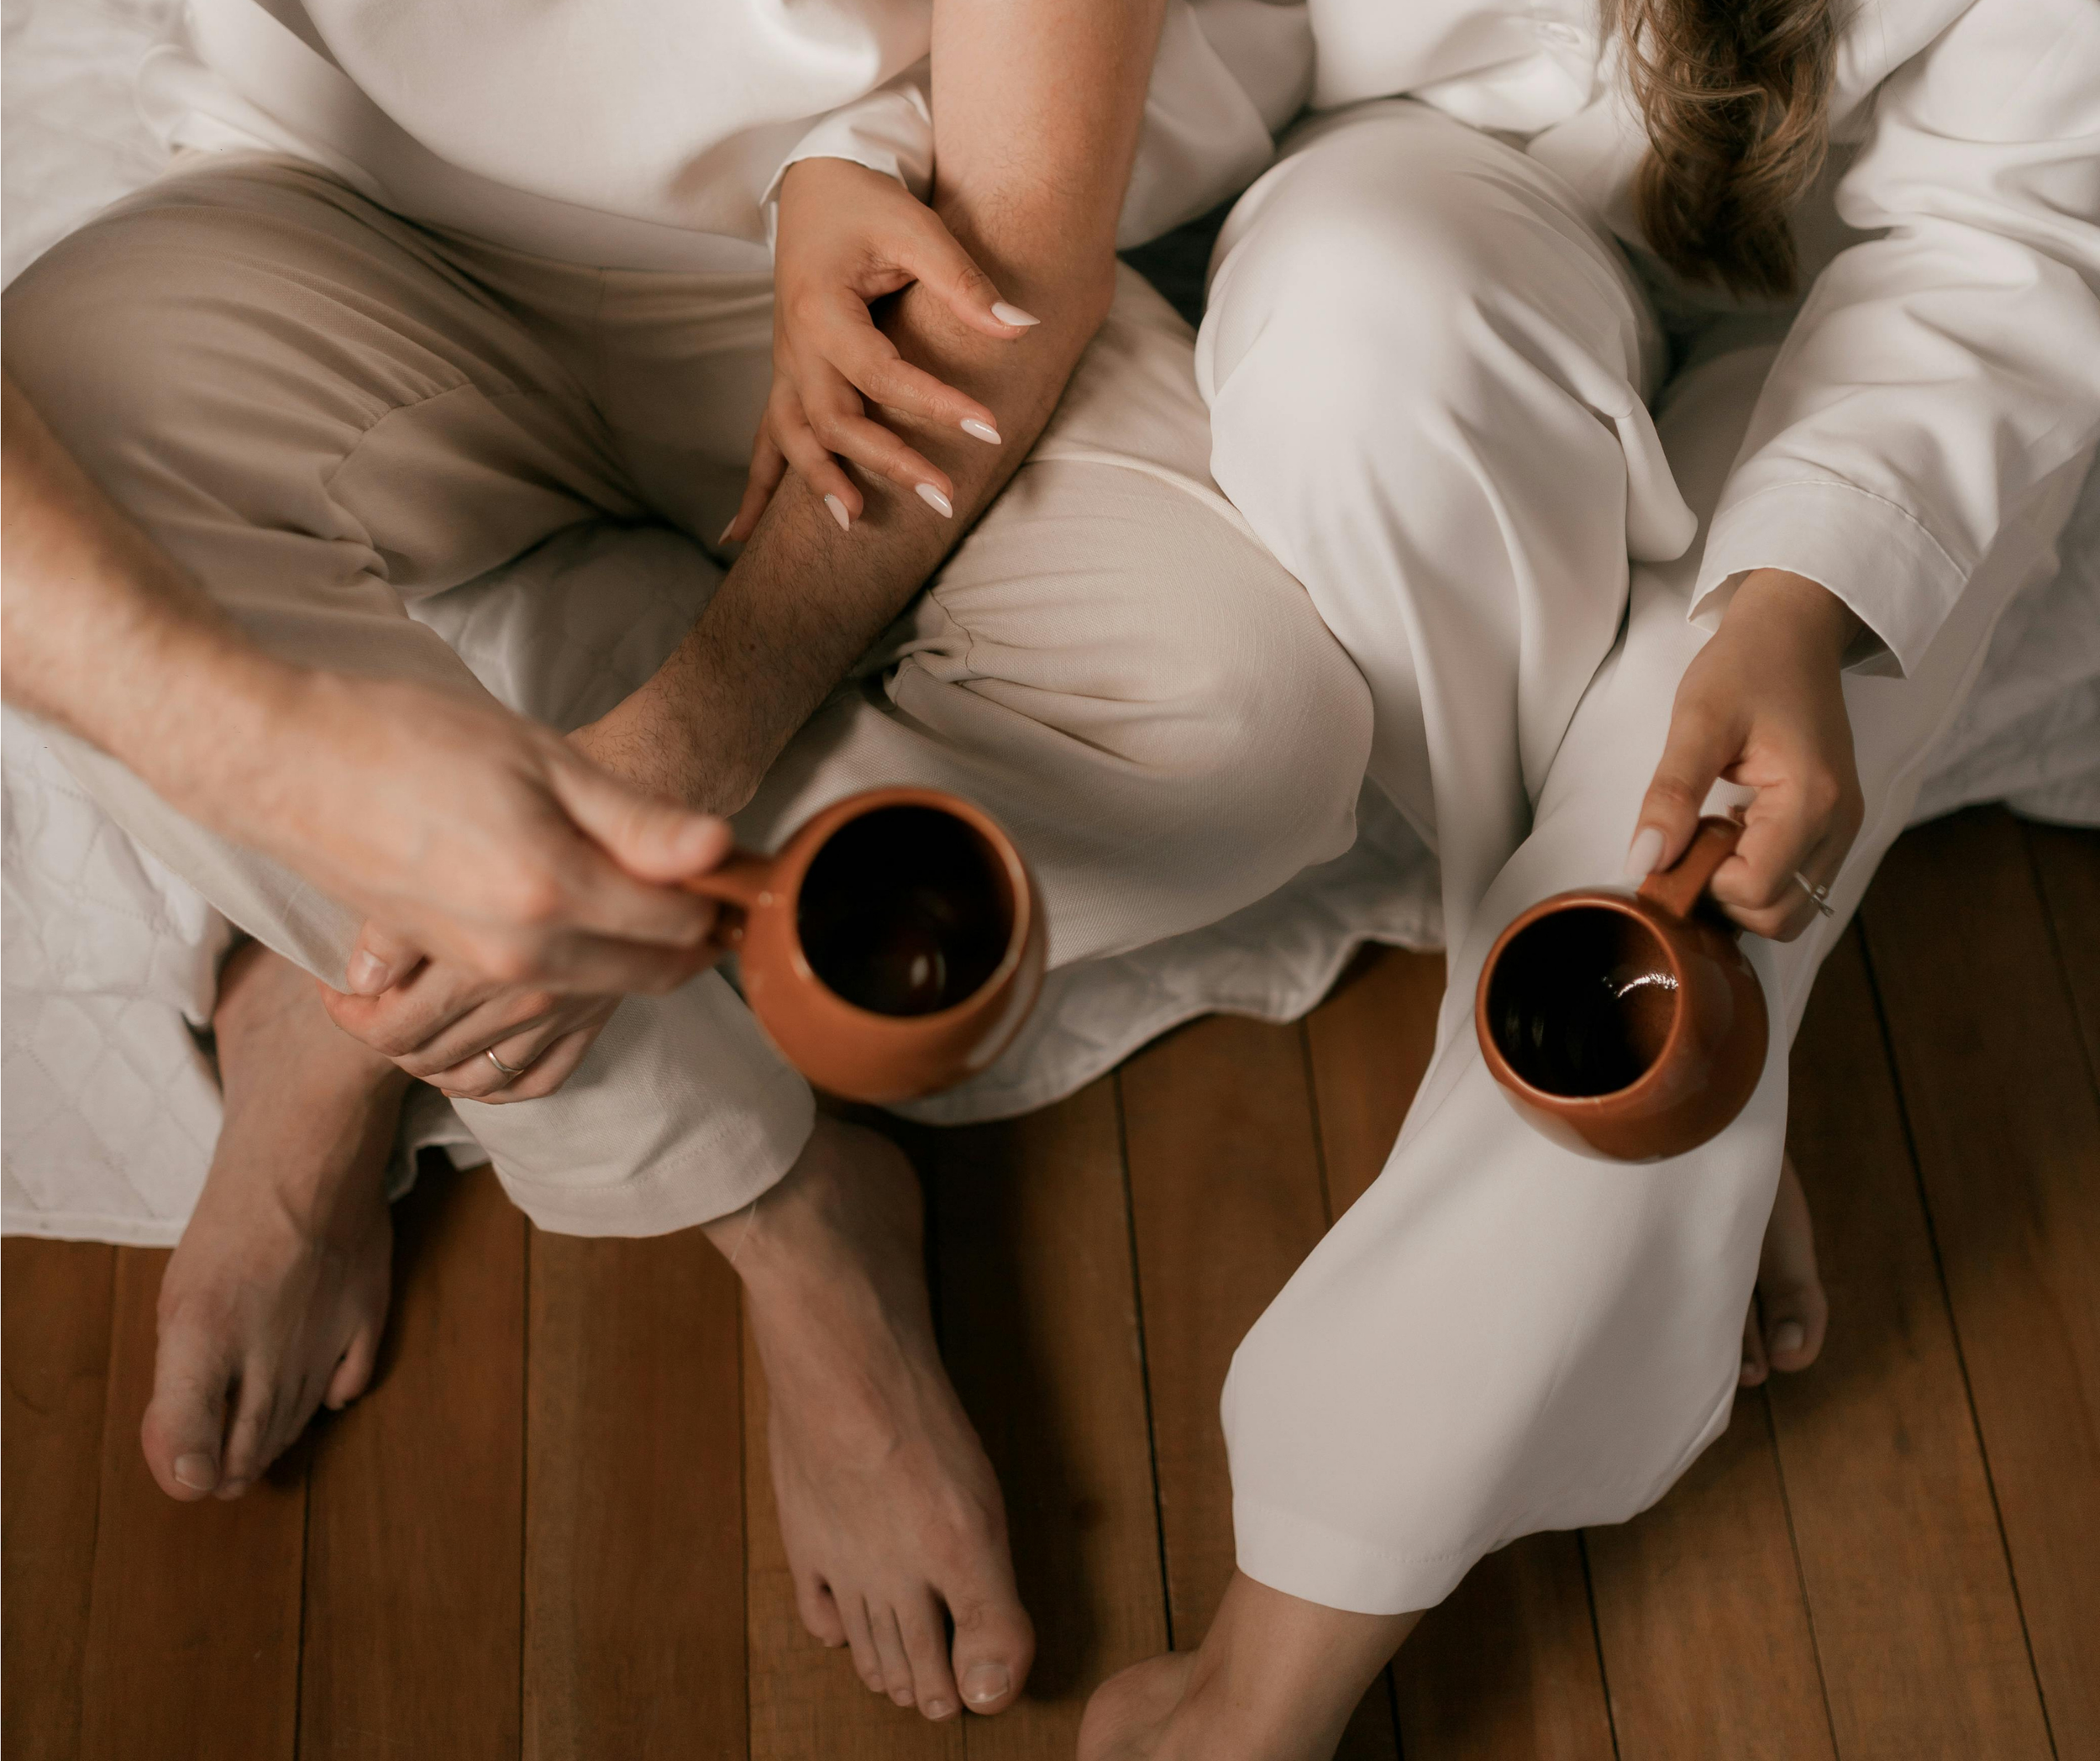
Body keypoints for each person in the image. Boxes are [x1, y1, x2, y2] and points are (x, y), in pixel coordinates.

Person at [0, 0, 1374, 1722]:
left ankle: (347, 974)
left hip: (882, 231)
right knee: (64, 462)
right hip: (345, 216)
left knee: (1246, 731)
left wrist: (684, 742)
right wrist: (286, 762)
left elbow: (1021, 235)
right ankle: (780, 1211)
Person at [1054, 0, 2096, 1751]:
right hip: (1446, 195)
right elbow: (1193, 45)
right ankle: (1646, 1064)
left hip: (1875, 317)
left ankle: (1269, 1676)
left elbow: (2004, 236)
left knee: (1685, 837)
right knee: (1348, 319)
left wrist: (1795, 599)